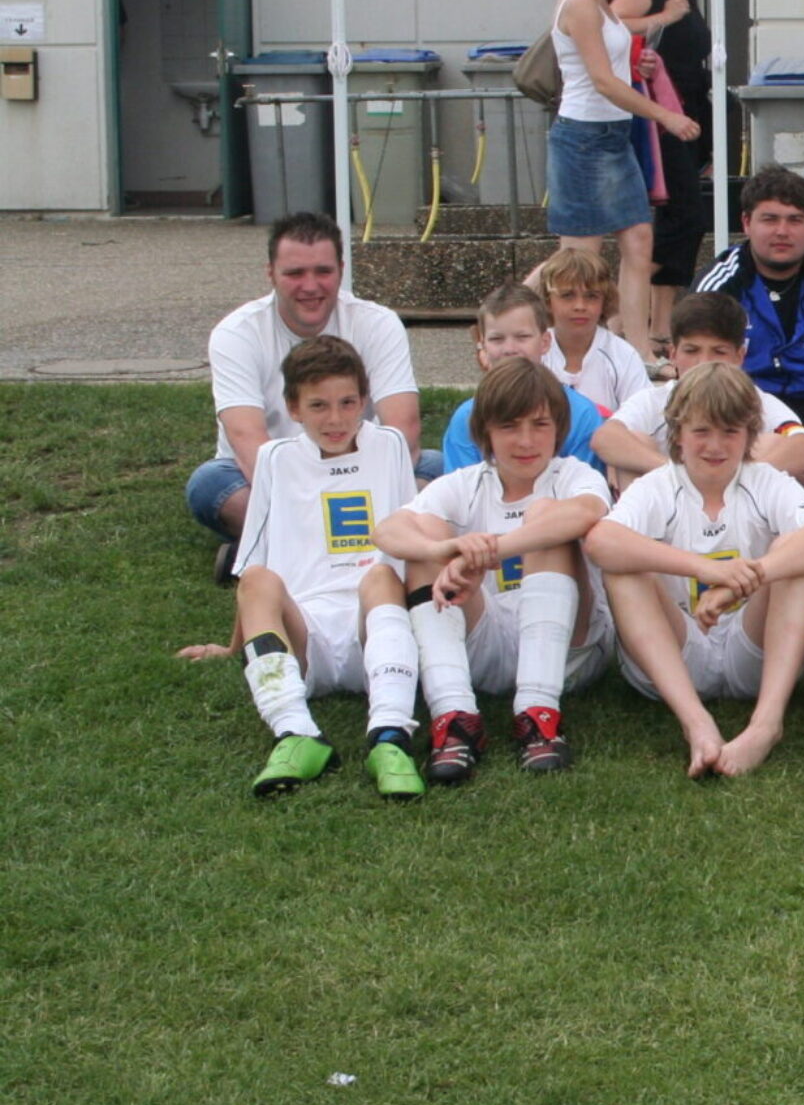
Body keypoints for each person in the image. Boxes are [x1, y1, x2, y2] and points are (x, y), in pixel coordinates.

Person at [177, 337, 425, 800]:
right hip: (304, 638)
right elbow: (256, 562)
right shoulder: (275, 459)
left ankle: (390, 736)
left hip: (375, 626)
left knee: (382, 574)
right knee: (255, 578)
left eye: (348, 402)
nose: (335, 418)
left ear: (365, 400)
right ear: (293, 408)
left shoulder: (389, 445)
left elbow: (411, 544)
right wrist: (234, 649)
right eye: (318, 405)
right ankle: (295, 731)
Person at [584, 363, 804, 778]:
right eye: (701, 431)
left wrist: (751, 574)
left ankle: (765, 724)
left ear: (750, 435)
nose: (715, 445)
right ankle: (695, 723)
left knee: (795, 554)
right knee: (625, 564)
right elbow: (601, 542)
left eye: (730, 432)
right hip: (678, 649)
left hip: (752, 650)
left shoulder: (765, 479)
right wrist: (706, 568)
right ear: (677, 433)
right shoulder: (658, 485)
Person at [377, 358, 616, 784]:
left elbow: (583, 515)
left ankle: (539, 714)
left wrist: (484, 554)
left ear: (558, 429)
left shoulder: (575, 476)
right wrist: (444, 549)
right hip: (487, 643)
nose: (526, 441)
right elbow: (387, 531)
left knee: (548, 524)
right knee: (422, 542)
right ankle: (454, 717)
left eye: (539, 425)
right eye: (509, 426)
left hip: (571, 651)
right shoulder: (466, 482)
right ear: (485, 431)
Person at [190, 212, 430, 548]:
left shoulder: (378, 323)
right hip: (275, 479)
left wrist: (348, 484)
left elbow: (403, 429)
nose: (311, 286)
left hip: (364, 470)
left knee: (437, 468)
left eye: (323, 271)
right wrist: (315, 497)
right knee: (210, 484)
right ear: (270, 274)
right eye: (295, 273)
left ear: (342, 271)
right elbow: (247, 441)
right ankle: (370, 539)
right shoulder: (236, 334)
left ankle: (278, 547)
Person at [547, 0, 700, 360]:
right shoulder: (577, 4)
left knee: (638, 240)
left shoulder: (599, 4)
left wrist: (640, 64)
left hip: (612, 135)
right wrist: (665, 116)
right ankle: (564, 348)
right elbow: (601, 81)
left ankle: (636, 352)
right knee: (579, 263)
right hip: (583, 137)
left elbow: (614, 69)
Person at [692, 166, 804, 427]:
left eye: (795, 220)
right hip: (742, 414)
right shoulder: (718, 283)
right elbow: (698, 362)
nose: (782, 231)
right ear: (746, 223)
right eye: (770, 219)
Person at [611, 0, 713, 336]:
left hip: (688, 113)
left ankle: (658, 321)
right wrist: (663, 17)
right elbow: (611, 24)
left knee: (684, 219)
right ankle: (620, 310)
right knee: (681, 214)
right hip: (659, 116)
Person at [597, 292, 804, 489]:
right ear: (673, 354)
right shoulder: (654, 400)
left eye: (719, 352)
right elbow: (605, 437)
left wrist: (730, 480)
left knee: (770, 444)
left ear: (739, 356)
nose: (704, 362)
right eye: (692, 351)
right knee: (634, 441)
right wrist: (679, 475)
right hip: (669, 510)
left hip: (735, 508)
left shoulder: (756, 400)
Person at [443, 283, 607, 475]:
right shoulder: (467, 417)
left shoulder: (581, 415)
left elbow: (587, 493)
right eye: (497, 339)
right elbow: (461, 494)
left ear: (545, 342)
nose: (510, 349)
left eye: (522, 337)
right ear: (483, 346)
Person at [535, 245, 651, 414]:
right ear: (547, 300)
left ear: (605, 300)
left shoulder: (622, 356)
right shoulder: (536, 353)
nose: (580, 306)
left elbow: (643, 417)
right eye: (567, 295)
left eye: (591, 296)